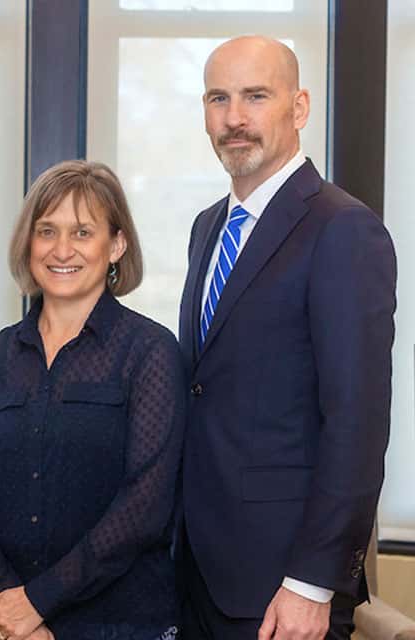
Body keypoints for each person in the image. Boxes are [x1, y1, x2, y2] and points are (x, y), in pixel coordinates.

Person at [177, 36, 396, 640]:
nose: (234, 118)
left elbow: (357, 422)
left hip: (285, 589)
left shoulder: (343, 228)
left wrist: (312, 583)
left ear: (299, 108)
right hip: (198, 572)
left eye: (255, 96)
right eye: (218, 98)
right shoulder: (208, 228)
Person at [0, 160, 186, 640]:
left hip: (121, 625)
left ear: (116, 246)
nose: (62, 250)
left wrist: (38, 602)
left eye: (83, 232)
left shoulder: (149, 351)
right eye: (47, 231)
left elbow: (145, 506)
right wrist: (13, 612)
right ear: (29, 243)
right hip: (11, 628)